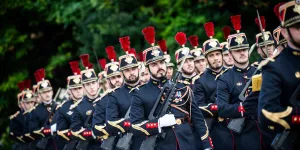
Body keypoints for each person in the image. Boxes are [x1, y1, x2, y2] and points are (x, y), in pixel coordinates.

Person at [130, 28, 211, 150]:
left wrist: (206, 145)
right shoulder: (140, 93)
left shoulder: (183, 87)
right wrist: (158, 124)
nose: (159, 67)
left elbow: (198, 119)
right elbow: (135, 126)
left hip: (187, 143)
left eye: (161, 63)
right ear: (147, 69)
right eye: (154, 64)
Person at [216, 15, 263, 150]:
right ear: (230, 54)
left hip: (265, 128)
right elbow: (222, 109)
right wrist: (244, 107)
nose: (241, 53)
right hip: (244, 133)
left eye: (244, 49)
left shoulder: (260, 71)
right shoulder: (225, 78)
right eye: (237, 51)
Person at [259, 1, 300, 149]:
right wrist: (296, 117)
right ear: (284, 32)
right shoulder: (275, 67)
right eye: (298, 27)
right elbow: (266, 112)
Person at [193, 22, 232, 150]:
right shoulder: (200, 81)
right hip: (218, 128)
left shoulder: (231, 74)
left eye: (217, 54)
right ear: (206, 59)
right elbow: (198, 107)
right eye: (211, 55)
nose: (216, 58)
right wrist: (217, 107)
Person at [105, 39, 144, 150]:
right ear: (122, 73)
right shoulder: (115, 95)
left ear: (138, 69)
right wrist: (135, 124)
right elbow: (110, 123)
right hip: (128, 144)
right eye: (127, 70)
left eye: (133, 69)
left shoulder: (149, 89)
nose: (131, 72)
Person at [92, 46, 124, 146]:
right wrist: (116, 128)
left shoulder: (133, 94)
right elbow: (96, 127)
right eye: (113, 77)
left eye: (119, 76)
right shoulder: (102, 101)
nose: (117, 80)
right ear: (108, 80)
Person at [70, 54, 101, 149]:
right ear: (83, 87)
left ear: (98, 83)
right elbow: (74, 131)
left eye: (93, 83)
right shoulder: (78, 107)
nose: (91, 87)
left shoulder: (107, 100)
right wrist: (92, 133)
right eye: (87, 84)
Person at [55, 61, 84, 150]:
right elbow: (61, 132)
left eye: (80, 88)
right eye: (75, 89)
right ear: (69, 91)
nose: (78, 91)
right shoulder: (63, 108)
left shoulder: (92, 103)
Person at [29, 68, 57, 150]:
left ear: (52, 92)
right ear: (40, 95)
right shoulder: (35, 111)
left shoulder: (59, 107)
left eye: (48, 91)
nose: (47, 94)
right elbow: (33, 131)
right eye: (44, 92)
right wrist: (50, 130)